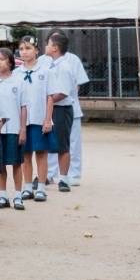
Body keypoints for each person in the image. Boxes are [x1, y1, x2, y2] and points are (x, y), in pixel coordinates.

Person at [40, 32, 84, 191]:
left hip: (62, 109)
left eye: (48, 44)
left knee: (63, 145)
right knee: (51, 143)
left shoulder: (64, 66)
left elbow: (63, 92)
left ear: (55, 48)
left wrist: (46, 102)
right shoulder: (52, 63)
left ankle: (64, 178)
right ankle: (48, 174)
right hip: (53, 108)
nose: (45, 46)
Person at [16, 36, 57, 204]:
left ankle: (40, 187)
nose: (24, 52)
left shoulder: (45, 71)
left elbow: (50, 97)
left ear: (36, 51)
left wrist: (47, 120)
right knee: (25, 154)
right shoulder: (16, 73)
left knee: (41, 153)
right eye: (22, 49)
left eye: (28, 48)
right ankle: (27, 187)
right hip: (22, 122)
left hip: (40, 119)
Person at [0, 47, 27, 210]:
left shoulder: (19, 81)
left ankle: (18, 195)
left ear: (10, 62)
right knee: (0, 164)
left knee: (16, 162)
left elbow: (24, 106)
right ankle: (3, 195)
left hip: (14, 128)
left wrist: (23, 129)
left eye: (2, 59)